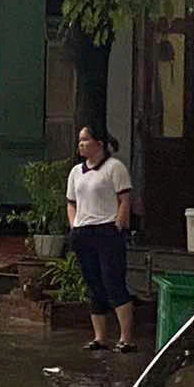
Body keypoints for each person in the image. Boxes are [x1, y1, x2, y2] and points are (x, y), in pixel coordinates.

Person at [66, 126, 135, 352]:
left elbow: (124, 199)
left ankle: (125, 337)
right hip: (84, 231)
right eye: (80, 141)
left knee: (113, 281)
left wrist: (119, 223)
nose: (81, 144)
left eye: (86, 140)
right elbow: (71, 202)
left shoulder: (114, 168)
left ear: (99, 143)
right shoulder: (76, 172)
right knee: (93, 284)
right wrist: (74, 225)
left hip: (107, 230)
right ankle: (100, 337)